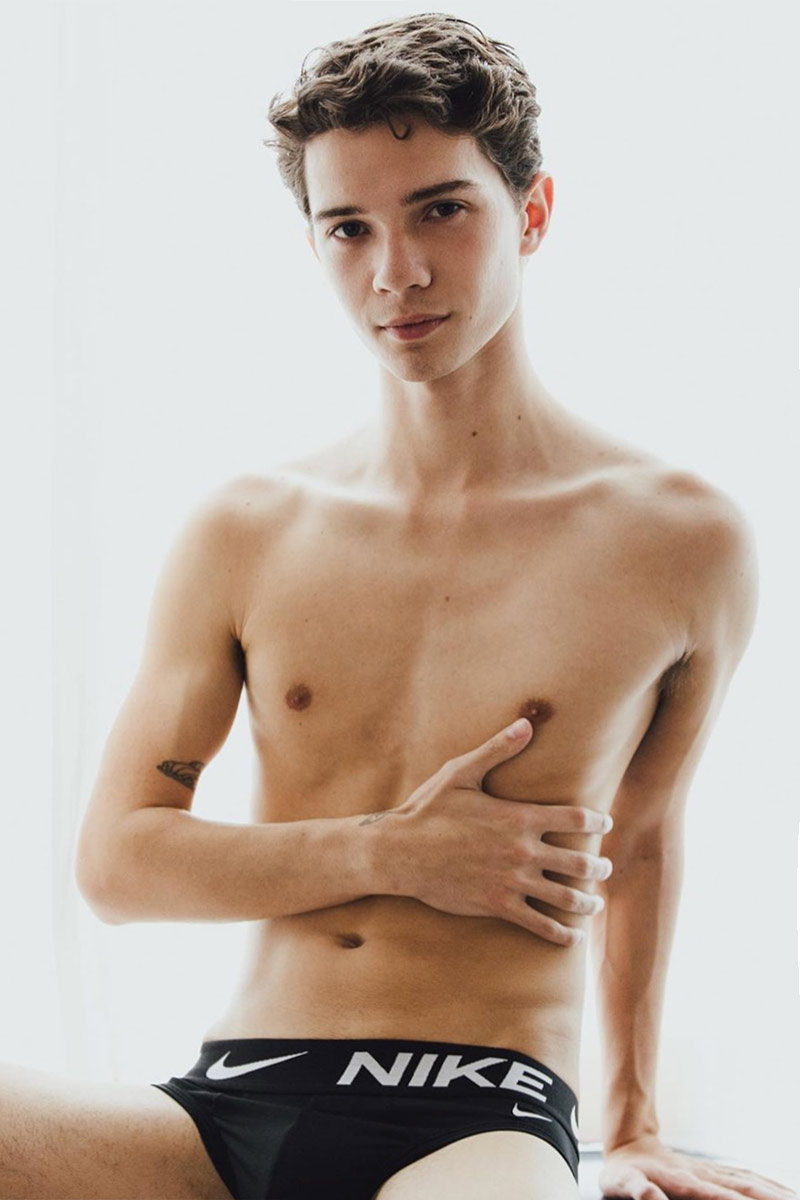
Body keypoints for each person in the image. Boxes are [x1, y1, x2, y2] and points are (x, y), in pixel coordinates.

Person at [0, 12, 792, 1200]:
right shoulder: (246, 528)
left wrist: (632, 1127)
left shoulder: (676, 540)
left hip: (476, 1111)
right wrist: (391, 852)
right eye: (349, 228)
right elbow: (117, 864)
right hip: (227, 1099)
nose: (395, 272)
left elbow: (643, 838)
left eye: (440, 211)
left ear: (530, 212)